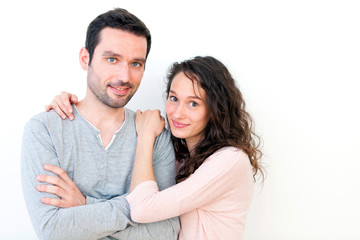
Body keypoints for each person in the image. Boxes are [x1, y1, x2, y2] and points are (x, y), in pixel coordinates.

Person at [48, 56, 264, 240]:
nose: (177, 113)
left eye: (193, 103)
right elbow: (147, 221)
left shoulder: (230, 160)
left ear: (216, 109)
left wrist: (146, 135)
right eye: (174, 98)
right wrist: (74, 106)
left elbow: (142, 208)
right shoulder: (182, 156)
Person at [21, 8, 180, 240]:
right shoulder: (45, 130)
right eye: (112, 59)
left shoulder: (154, 134)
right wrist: (139, 206)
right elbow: (53, 229)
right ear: (85, 59)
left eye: (136, 64)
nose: (124, 76)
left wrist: (84, 204)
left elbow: (166, 232)